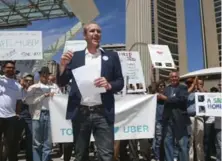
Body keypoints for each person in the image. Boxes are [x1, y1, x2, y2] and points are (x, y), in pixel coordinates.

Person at [58, 22, 124, 161]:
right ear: (85, 35)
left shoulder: (112, 56)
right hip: (81, 113)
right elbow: (62, 82)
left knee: (106, 155)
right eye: (92, 31)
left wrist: (109, 85)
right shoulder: (75, 57)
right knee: (80, 155)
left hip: (103, 113)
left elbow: (120, 82)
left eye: (98, 31)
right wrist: (62, 66)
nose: (96, 34)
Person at [24, 67, 59, 161]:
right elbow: (28, 101)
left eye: (46, 73)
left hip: (51, 115)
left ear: (48, 75)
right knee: (37, 143)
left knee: (48, 143)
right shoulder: (33, 87)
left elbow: (60, 99)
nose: (45, 75)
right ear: (40, 75)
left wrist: (55, 96)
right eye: (43, 73)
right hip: (37, 115)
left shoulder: (55, 87)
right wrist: (43, 96)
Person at [159, 71, 190, 161]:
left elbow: (181, 100)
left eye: (175, 77)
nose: (174, 78)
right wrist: (158, 98)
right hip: (168, 120)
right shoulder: (167, 89)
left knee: (182, 144)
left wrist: (166, 98)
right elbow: (162, 101)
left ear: (178, 78)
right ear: (169, 78)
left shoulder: (183, 88)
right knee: (167, 143)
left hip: (180, 120)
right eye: (172, 77)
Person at [0, 61, 22, 161]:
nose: (11, 69)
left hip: (11, 117)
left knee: (11, 142)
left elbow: (19, 101)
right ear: (3, 69)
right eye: (8, 67)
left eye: (13, 68)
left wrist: (17, 113)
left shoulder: (18, 85)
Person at [17, 74, 34, 161]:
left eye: (30, 80)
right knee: (15, 137)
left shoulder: (33, 90)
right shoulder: (18, 88)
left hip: (29, 115)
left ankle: (29, 158)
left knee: (30, 137)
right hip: (19, 113)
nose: (28, 82)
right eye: (26, 80)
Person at [152, 81, 166, 161]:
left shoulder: (166, 94)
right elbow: (159, 97)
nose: (161, 87)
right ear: (157, 87)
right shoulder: (156, 95)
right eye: (160, 86)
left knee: (165, 140)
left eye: (163, 86)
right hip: (158, 120)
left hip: (166, 120)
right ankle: (157, 158)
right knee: (159, 140)